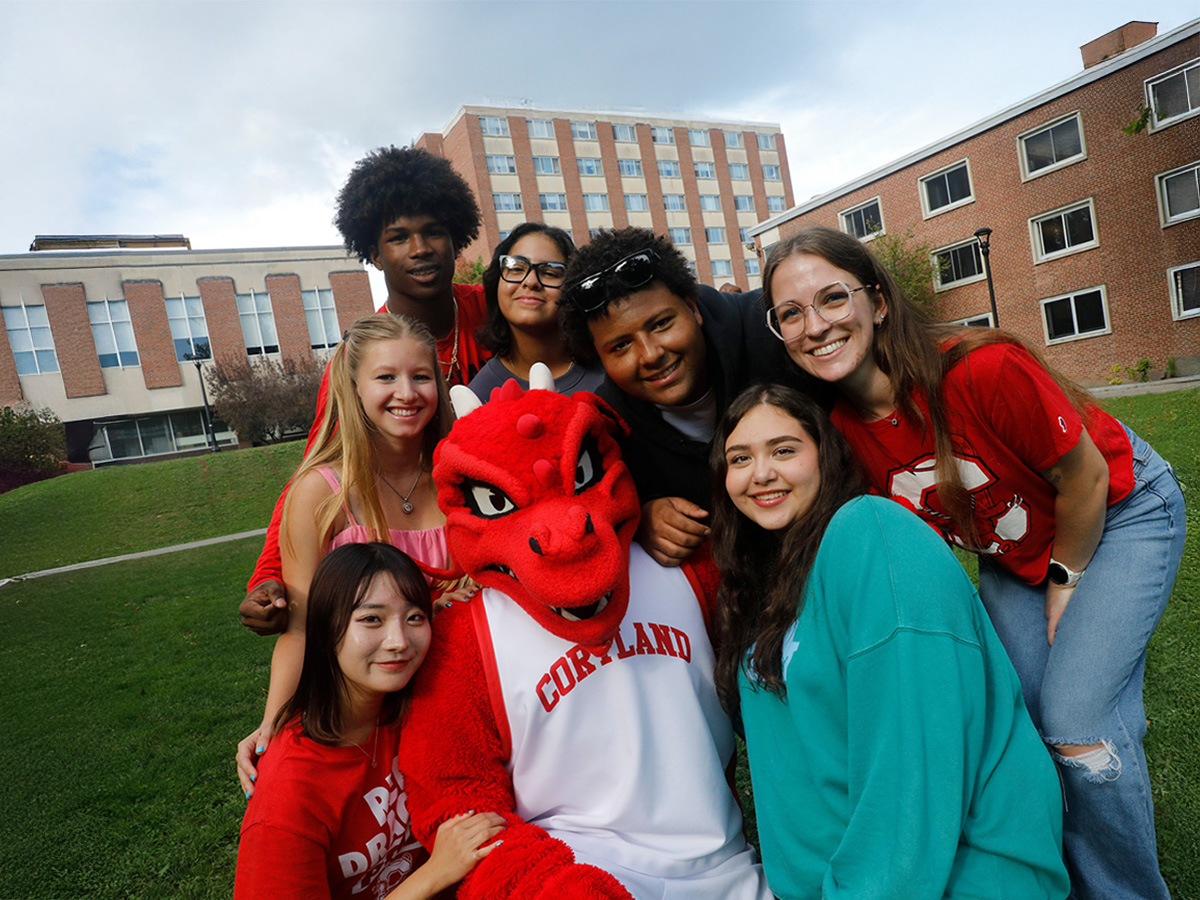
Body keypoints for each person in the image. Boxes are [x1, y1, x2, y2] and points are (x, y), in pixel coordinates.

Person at [761, 225, 1186, 900]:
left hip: (1118, 514)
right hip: (1010, 549)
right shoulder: (841, 433)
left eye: (833, 298)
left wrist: (1065, 581)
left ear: (877, 301)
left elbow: (1085, 481)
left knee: (1075, 724)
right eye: (791, 313)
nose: (816, 325)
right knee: (1012, 709)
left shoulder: (978, 369)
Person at [710, 384, 1071, 900]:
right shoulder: (765, 580)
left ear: (826, 454)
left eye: (784, 450)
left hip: (958, 877)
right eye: (739, 458)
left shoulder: (872, 534)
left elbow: (914, 758)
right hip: (840, 883)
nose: (760, 472)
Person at [241, 146, 490, 636]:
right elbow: (315, 471)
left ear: (456, 238)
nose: (419, 248)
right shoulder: (358, 360)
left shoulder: (494, 315)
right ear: (373, 252)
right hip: (408, 578)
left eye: (434, 231)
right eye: (398, 237)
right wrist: (269, 576)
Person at [237, 314, 457, 773]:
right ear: (353, 388)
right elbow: (301, 628)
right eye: (385, 377)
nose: (407, 392)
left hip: (457, 703)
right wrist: (272, 725)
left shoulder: (461, 478)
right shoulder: (320, 493)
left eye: (421, 376)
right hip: (362, 720)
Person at [234, 541, 505, 900]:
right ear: (326, 627)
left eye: (414, 618)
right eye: (371, 619)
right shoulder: (287, 797)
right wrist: (435, 873)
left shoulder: (417, 705)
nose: (398, 642)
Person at [558, 226, 805, 567]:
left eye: (661, 324)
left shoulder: (773, 332)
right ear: (599, 358)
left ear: (693, 307)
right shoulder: (606, 427)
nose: (650, 354)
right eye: (621, 346)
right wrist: (638, 516)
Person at [468, 222, 605, 400]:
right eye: (517, 269)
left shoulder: (611, 371)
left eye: (550, 272)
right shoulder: (479, 395)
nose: (531, 282)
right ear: (496, 283)